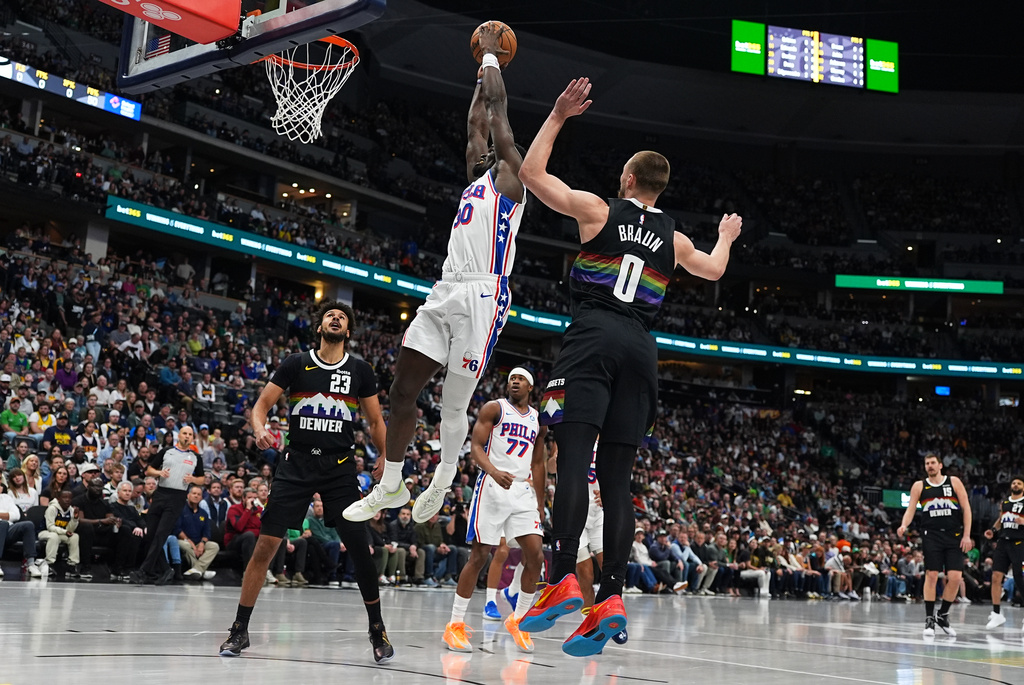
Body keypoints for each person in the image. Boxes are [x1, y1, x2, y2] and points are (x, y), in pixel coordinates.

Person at [517, 77, 742, 656]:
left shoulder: (600, 209)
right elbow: (715, 270)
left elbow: (532, 175)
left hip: (593, 335)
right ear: (660, 190)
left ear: (628, 180)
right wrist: (727, 236)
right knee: (617, 480)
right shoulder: (676, 239)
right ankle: (611, 597)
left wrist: (560, 116)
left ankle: (562, 576)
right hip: (643, 349)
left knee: (572, 458)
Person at [344, 22, 527, 525]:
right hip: (446, 288)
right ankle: (391, 484)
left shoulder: (514, 174)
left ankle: (444, 479)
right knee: (402, 390)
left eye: (493, 141)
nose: (485, 143)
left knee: (452, 404)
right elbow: (476, 123)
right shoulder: (476, 173)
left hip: (485, 297)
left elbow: (499, 115)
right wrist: (476, 76)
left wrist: (491, 59)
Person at [219, 300, 393, 664]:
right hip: (295, 463)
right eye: (330, 315)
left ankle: (376, 627)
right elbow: (261, 405)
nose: (335, 319)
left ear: (348, 331)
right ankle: (239, 628)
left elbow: (376, 422)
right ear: (320, 326)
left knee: (359, 548)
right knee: (266, 545)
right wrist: (259, 427)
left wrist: (387, 459)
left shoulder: (361, 369)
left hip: (339, 467)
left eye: (342, 317)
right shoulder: (296, 363)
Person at [442, 368, 546, 654]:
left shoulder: (538, 420)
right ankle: (454, 625)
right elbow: (475, 446)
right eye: (512, 377)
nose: (514, 381)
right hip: (492, 486)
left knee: (535, 555)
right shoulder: (494, 408)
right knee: (479, 556)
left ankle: (519, 619)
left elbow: (539, 463)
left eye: (521, 378)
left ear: (531, 387)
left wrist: (540, 500)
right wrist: (494, 471)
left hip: (522, 490)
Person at [898, 453, 973, 638]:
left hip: (954, 535)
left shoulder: (954, 482)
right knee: (931, 575)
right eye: (927, 463)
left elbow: (966, 508)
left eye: (932, 463)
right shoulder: (919, 486)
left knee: (955, 577)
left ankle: (943, 615)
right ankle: (929, 618)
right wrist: (903, 525)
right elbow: (911, 508)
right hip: (931, 535)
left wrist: (967, 535)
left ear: (940, 465)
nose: (930, 466)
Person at [131, 426, 205, 585]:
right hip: (161, 494)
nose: (187, 436)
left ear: (192, 438)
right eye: (184, 433)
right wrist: (159, 473)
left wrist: (192, 479)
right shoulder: (166, 451)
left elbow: (202, 479)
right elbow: (149, 470)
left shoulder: (195, 457)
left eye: (190, 434)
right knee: (150, 535)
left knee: (161, 535)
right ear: (179, 435)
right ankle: (165, 570)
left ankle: (144, 571)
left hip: (177, 497)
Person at [983, 476, 1024, 630]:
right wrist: (993, 530)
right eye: (1014, 482)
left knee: (1020, 577)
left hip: (1019, 542)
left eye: (1019, 483)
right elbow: (1001, 520)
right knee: (996, 577)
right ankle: (996, 613)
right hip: (1003, 542)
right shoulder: (1005, 503)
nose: (1016, 485)